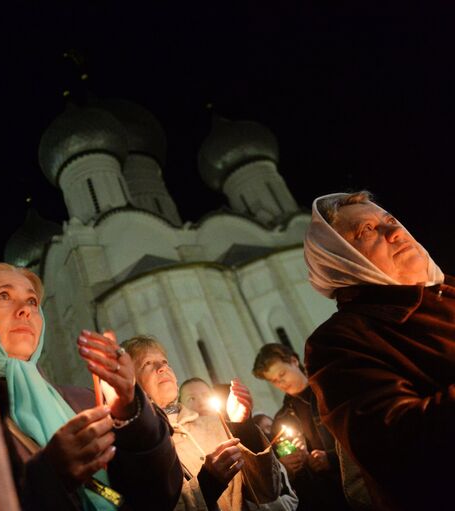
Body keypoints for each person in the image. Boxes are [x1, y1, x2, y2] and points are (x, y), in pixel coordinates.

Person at [0, 263, 183, 511]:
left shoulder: (83, 402)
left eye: (32, 301)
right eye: (3, 295)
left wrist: (129, 409)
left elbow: (159, 495)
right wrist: (49, 475)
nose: (25, 311)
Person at [303, 191, 454, 510]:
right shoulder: (339, 342)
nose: (396, 232)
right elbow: (403, 450)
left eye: (390, 220)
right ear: (339, 258)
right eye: (367, 231)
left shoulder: (449, 291)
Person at [122, 335, 298, 511]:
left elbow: (267, 491)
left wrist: (243, 426)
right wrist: (208, 483)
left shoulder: (214, 424)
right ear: (132, 382)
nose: (162, 368)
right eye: (147, 364)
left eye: (165, 362)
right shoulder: (140, 443)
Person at [252, 343, 352, 511]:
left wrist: (332, 459)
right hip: (324, 498)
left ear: (294, 361)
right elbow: (287, 469)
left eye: (282, 374)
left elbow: (361, 434)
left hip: (357, 485)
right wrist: (288, 467)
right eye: (274, 381)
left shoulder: (330, 391)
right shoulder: (281, 419)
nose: (281, 383)